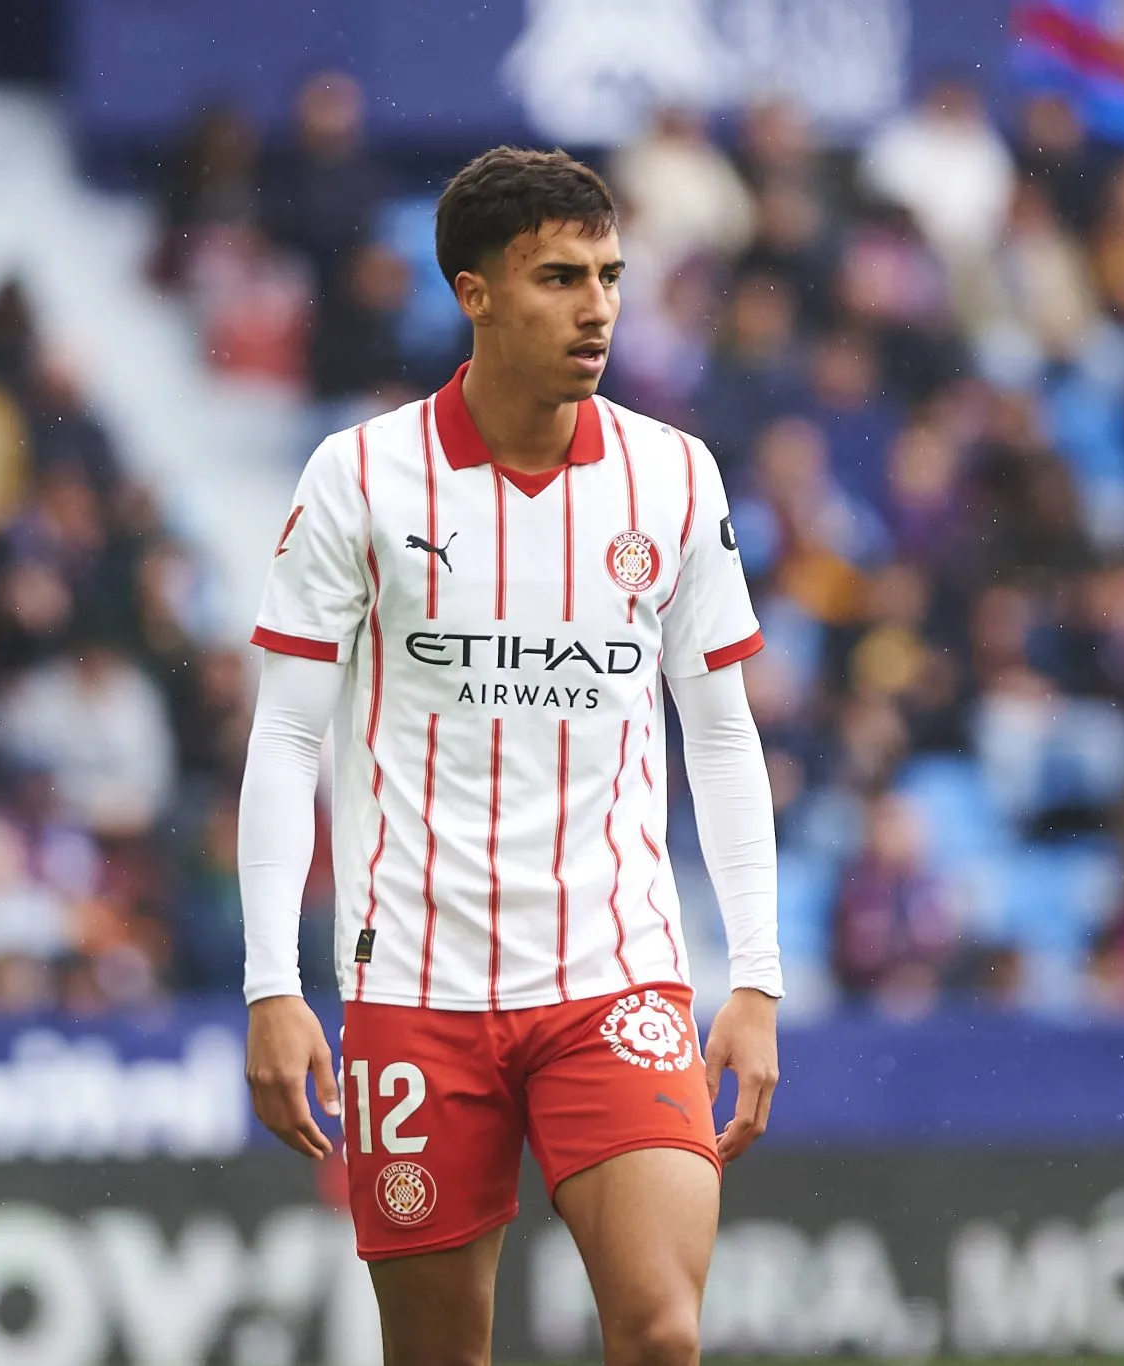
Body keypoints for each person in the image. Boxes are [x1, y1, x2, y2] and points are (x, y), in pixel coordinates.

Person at [236, 147, 781, 1366]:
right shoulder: (360, 476)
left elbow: (722, 728)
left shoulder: (672, 476)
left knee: (659, 1328)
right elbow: (283, 737)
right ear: (473, 293)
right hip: (415, 987)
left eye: (608, 275)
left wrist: (755, 972)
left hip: (615, 972)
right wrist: (271, 982)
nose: (596, 307)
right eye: (557, 277)